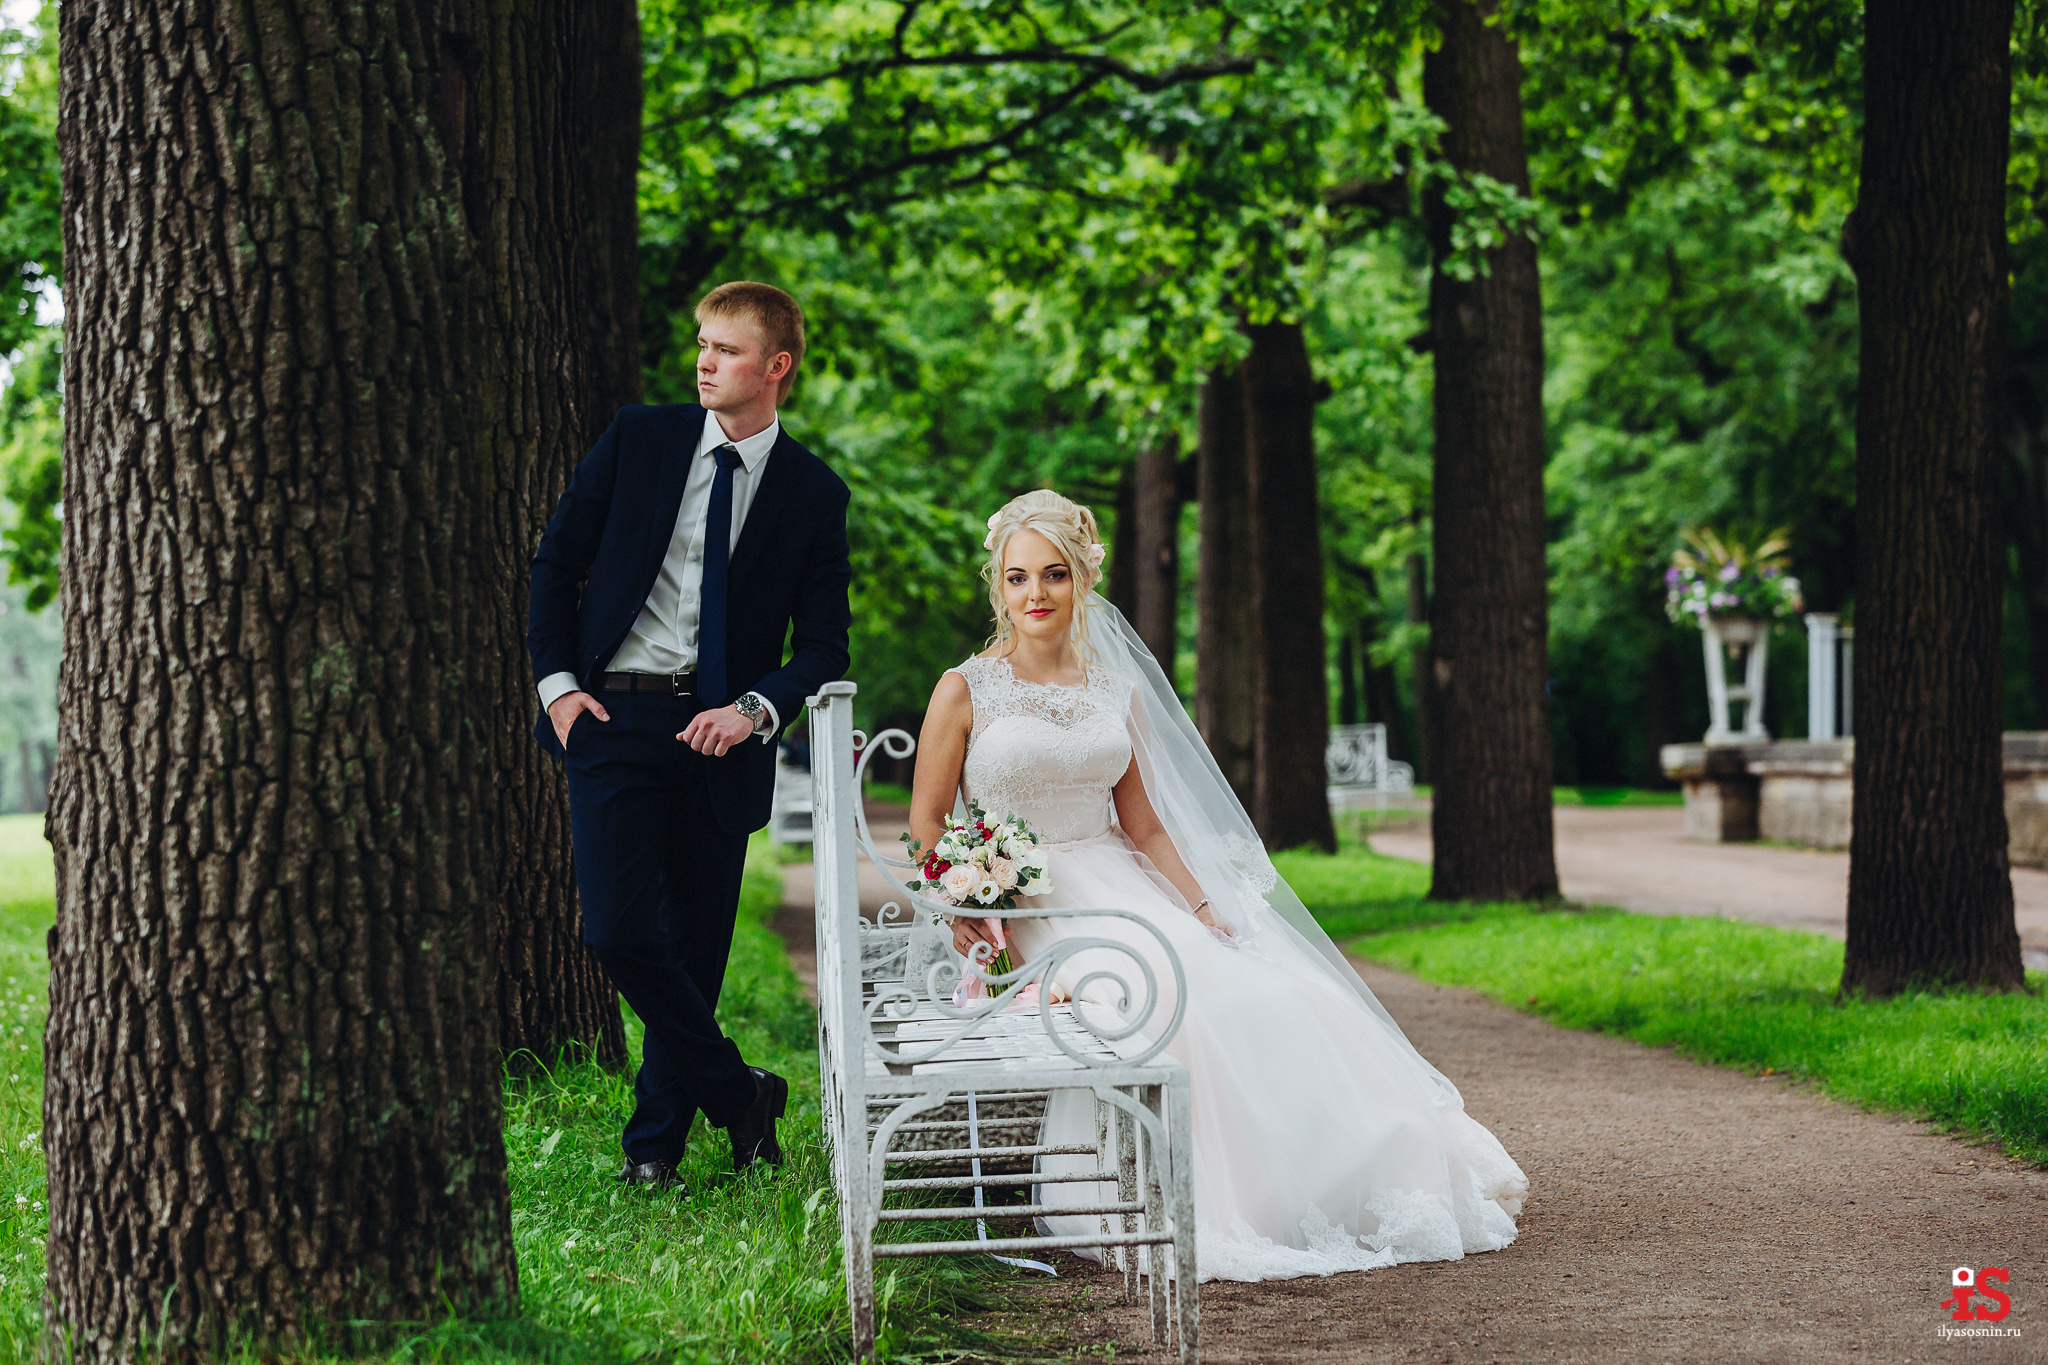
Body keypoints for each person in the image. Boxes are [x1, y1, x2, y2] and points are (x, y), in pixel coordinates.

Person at [907, 489, 1527, 1281]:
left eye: (1054, 575)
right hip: (1032, 903)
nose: (1037, 594)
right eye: (1019, 577)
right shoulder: (965, 688)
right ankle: (1188, 1198)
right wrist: (965, 901)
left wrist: (1205, 908)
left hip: (1122, 880)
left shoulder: (1113, 690)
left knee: (1269, 991)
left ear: (1082, 582)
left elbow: (1147, 826)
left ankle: (1316, 1185)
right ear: (999, 586)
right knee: (1173, 1005)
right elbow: (928, 820)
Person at [527, 282, 851, 1191]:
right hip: (613, 716)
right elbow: (557, 561)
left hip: (723, 737)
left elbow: (823, 647)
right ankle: (742, 1093)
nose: (705, 361)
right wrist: (557, 688)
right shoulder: (641, 438)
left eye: (727, 349)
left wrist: (753, 709)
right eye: (702, 344)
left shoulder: (815, 494)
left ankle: (653, 1148)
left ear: (775, 367)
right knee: (621, 932)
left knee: (698, 949)